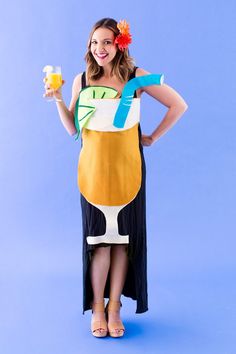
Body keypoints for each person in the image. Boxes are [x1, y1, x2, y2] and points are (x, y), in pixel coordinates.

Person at [43, 17, 188, 338]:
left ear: (120, 44)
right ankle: (97, 306)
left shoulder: (135, 77)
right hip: (92, 172)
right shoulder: (82, 80)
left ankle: (114, 307)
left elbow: (178, 105)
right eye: (94, 43)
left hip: (128, 170)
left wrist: (151, 138)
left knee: (122, 242)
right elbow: (73, 129)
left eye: (107, 42)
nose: (100, 49)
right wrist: (56, 98)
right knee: (98, 243)